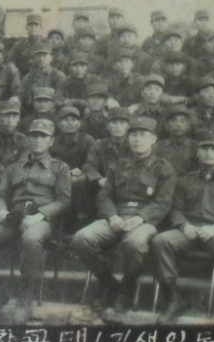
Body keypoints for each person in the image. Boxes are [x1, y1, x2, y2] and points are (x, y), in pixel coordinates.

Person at [0, 119, 72, 322]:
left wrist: (39, 215)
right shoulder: (14, 168)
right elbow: (1, 194)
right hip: (13, 218)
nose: (38, 140)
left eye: (43, 136)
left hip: (41, 220)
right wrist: (1, 210)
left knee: (32, 239)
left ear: (51, 141)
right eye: (34, 136)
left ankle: (25, 295)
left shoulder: (60, 168)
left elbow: (63, 201)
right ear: (29, 139)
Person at [73, 116, 177, 315]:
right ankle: (108, 282)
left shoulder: (164, 169)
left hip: (144, 220)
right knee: (82, 238)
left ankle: (127, 286)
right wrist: (112, 216)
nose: (138, 140)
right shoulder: (117, 166)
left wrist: (139, 218)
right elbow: (104, 196)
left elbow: (163, 202)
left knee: (135, 243)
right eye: (134, 135)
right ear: (128, 139)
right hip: (116, 217)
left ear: (153, 139)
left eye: (143, 135)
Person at [153, 129, 214, 325]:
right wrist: (184, 225)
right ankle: (173, 299)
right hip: (188, 231)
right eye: (204, 148)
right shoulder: (184, 180)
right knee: (161, 241)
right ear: (198, 153)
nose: (208, 153)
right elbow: (175, 210)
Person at [17, 43, 66, 111]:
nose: (41, 59)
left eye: (44, 55)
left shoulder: (58, 76)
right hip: (31, 111)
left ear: (51, 58)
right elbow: (20, 95)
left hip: (53, 111)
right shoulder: (29, 77)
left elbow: (60, 98)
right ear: (34, 58)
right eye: (38, 56)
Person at [154, 105, 199, 175]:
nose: (179, 125)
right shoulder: (158, 147)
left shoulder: (196, 147)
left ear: (188, 125)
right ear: (166, 125)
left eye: (183, 121)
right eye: (174, 121)